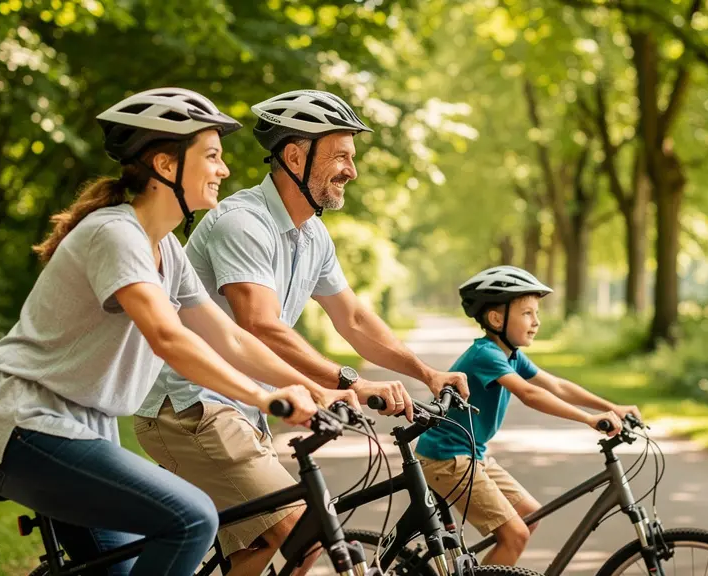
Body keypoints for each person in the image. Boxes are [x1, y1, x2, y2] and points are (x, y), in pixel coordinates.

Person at [0, 87, 345, 576]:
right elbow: (170, 337)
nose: (224, 169)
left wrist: (313, 389)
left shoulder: (168, 250)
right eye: (212, 156)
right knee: (190, 519)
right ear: (166, 165)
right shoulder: (115, 234)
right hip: (26, 426)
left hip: (83, 432)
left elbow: (227, 337)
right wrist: (265, 398)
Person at [133, 88, 469, 576]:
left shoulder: (313, 234)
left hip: (242, 411)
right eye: (341, 156)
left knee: (257, 547)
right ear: (295, 155)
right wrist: (349, 383)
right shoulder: (243, 223)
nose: (352, 170)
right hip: (190, 408)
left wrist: (426, 373)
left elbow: (352, 319)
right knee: (304, 535)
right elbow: (261, 324)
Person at [414, 265, 642, 566]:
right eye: (527, 314)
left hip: (470, 455)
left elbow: (556, 385)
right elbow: (530, 394)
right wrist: (588, 419)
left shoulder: (509, 354)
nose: (536, 322)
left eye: (536, 313)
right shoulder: (486, 355)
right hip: (447, 457)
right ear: (497, 318)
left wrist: (611, 407)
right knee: (516, 535)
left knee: (530, 517)